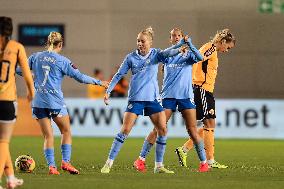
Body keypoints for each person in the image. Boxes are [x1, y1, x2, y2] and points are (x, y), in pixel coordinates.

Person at [17, 31, 109, 175]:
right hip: (55, 103)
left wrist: (32, 75)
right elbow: (80, 77)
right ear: (60, 44)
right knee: (66, 131)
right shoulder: (63, 61)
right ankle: (66, 162)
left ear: (47, 42)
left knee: (48, 135)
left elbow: (19, 70)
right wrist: (99, 82)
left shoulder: (35, 57)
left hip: (39, 102)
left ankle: (52, 167)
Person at [100, 27, 187, 174]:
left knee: (162, 129)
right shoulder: (131, 57)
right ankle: (108, 163)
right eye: (138, 41)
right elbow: (119, 74)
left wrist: (179, 48)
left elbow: (168, 53)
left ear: (150, 42)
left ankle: (158, 166)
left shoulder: (155, 54)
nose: (140, 43)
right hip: (136, 99)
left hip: (152, 99)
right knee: (126, 129)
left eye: (142, 41)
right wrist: (108, 91)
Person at [133, 28, 209, 173]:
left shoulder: (188, 56)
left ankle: (204, 163)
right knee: (158, 129)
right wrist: (177, 47)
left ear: (182, 37)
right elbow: (161, 56)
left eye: (178, 35)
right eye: (173, 36)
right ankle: (140, 160)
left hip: (186, 97)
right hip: (168, 97)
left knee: (192, 130)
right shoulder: (167, 55)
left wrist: (191, 45)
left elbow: (200, 58)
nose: (176, 37)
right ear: (170, 39)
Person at [175, 29, 236, 169]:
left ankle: (183, 150)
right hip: (202, 89)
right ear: (222, 42)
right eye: (227, 47)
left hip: (205, 91)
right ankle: (210, 160)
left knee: (209, 125)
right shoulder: (210, 49)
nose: (227, 50)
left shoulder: (212, 49)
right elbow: (197, 57)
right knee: (209, 123)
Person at [0, 17, 35, 189]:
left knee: (1, 143)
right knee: (3, 142)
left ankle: (11, 179)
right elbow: (27, 74)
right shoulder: (16, 47)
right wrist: (31, 91)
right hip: (7, 101)